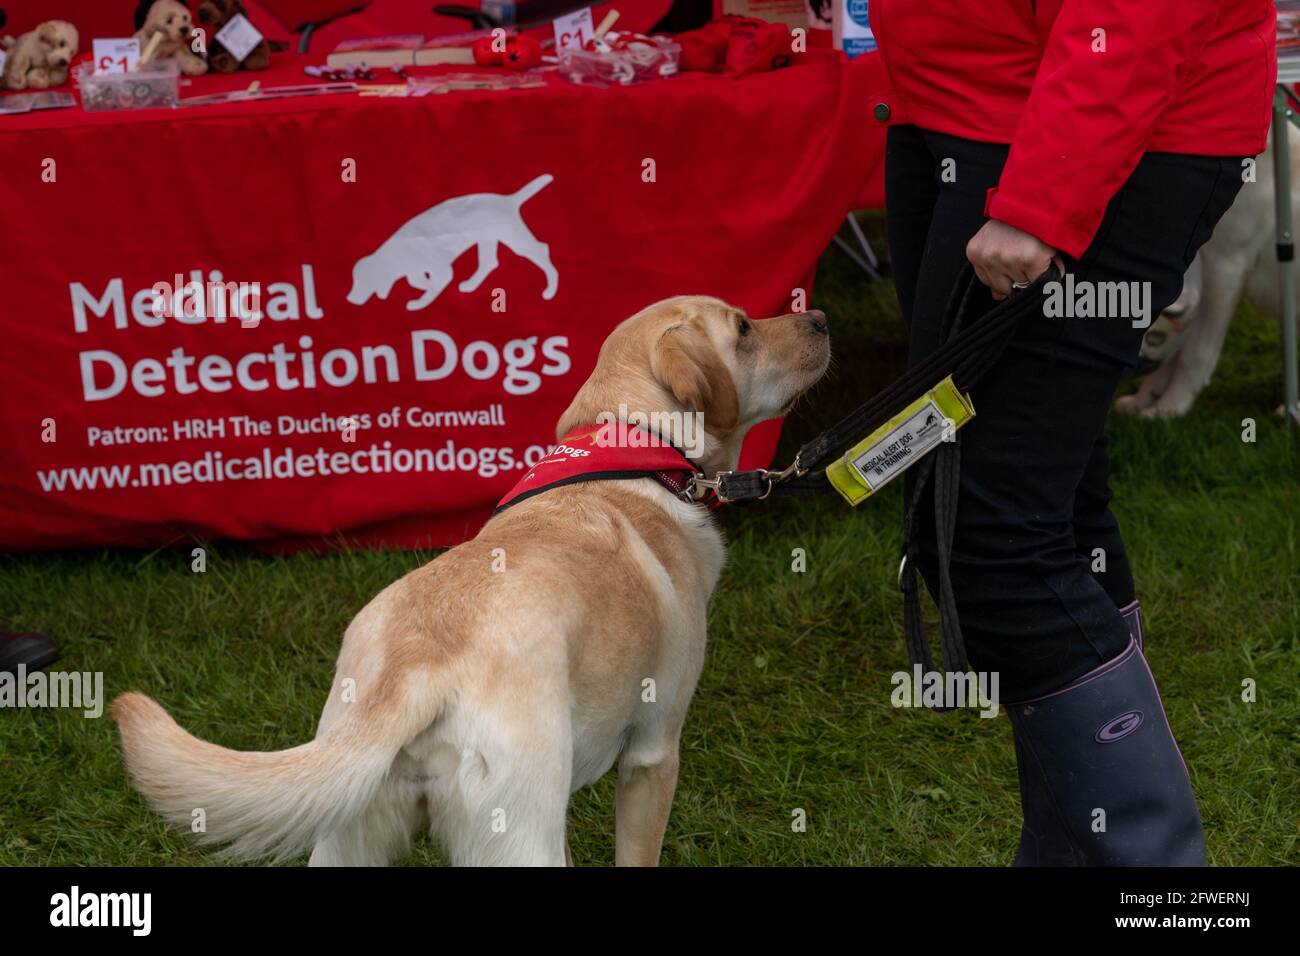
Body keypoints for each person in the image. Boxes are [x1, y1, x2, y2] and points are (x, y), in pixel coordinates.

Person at [868, 0, 1276, 864]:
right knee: (1042, 498)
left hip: (1089, 131)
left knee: (990, 533)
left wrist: (1046, 195)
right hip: (960, 108)